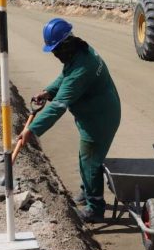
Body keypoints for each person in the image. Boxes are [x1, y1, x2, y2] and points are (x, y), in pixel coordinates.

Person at [17, 18, 121, 222]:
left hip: (99, 119)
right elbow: (65, 76)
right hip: (96, 113)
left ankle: (95, 208)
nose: (55, 54)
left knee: (90, 161)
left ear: (65, 44)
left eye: (56, 49)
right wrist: (48, 91)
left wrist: (32, 130)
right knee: (86, 158)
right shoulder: (80, 52)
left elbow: (58, 106)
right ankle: (87, 190)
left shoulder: (82, 66)